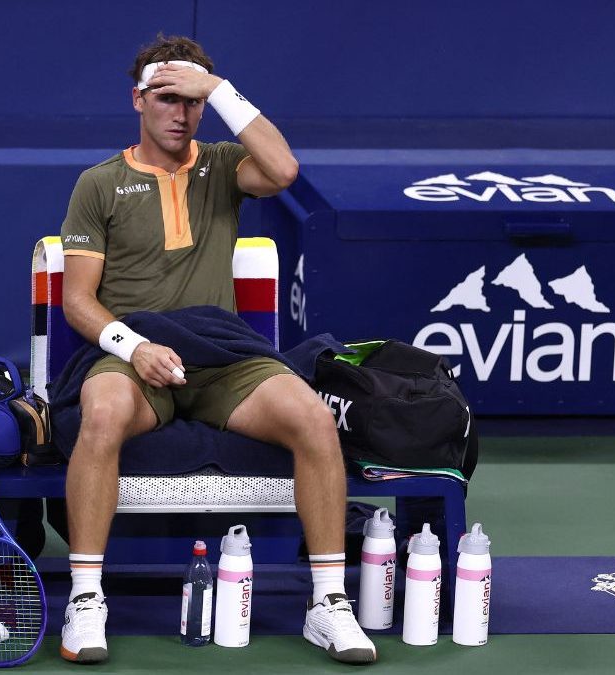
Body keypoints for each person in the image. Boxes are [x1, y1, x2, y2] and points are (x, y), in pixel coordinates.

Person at [56, 34, 376, 664]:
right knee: (99, 415)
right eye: (167, 97)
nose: (181, 113)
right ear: (139, 100)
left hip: (222, 354)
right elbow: (77, 300)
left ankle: (328, 604)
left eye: (193, 101)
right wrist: (132, 344)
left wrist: (222, 92)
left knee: (314, 416)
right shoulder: (99, 183)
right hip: (136, 356)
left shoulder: (225, 164)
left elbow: (283, 171)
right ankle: (87, 600)